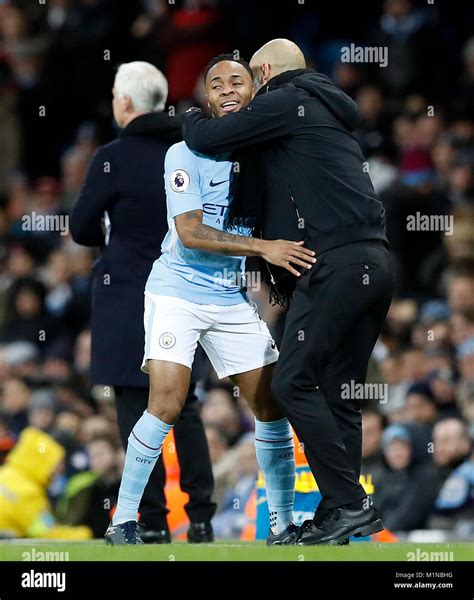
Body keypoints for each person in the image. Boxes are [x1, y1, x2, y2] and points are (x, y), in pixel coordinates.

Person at [182, 39, 396, 545]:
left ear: (264, 72)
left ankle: (348, 503)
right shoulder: (322, 106)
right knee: (340, 392)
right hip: (376, 261)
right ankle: (339, 511)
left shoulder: (284, 98)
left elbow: (212, 138)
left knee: (293, 381)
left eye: (247, 81)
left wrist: (188, 114)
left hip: (336, 264)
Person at [106, 54, 316, 546]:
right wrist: (264, 248)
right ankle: (124, 520)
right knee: (168, 403)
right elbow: (190, 231)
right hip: (176, 290)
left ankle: (282, 523)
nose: (224, 87)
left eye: (235, 80)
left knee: (271, 405)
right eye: (215, 81)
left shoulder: (265, 153)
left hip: (230, 295)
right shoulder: (182, 153)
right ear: (207, 98)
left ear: (253, 91)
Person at [70, 61, 216, 544]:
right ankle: (200, 518)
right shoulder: (190, 150)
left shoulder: (113, 156)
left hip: (128, 292)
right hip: (186, 289)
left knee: (137, 404)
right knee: (184, 404)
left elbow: (81, 226)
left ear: (126, 103)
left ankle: (151, 520)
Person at [0, 427, 92, 539]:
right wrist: (85, 533)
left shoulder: (4, 473)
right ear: (42, 463)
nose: (59, 470)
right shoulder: (29, 493)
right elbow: (45, 532)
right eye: (56, 464)